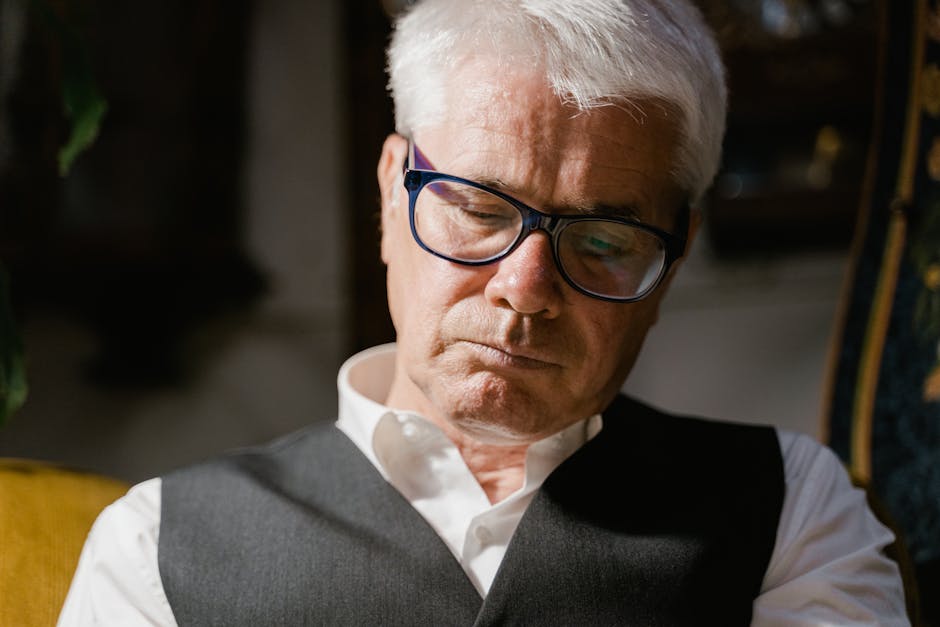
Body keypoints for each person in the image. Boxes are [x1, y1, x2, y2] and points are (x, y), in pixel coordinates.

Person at [58, 0, 909, 624]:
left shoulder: (789, 508)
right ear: (393, 190)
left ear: (674, 255)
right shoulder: (156, 544)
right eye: (478, 207)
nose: (525, 286)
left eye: (604, 240)